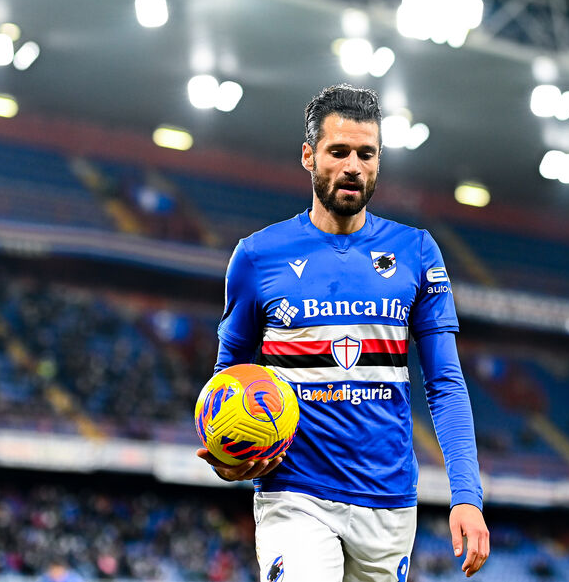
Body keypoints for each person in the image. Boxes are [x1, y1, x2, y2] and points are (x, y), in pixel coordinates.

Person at [197, 84, 490, 580]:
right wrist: (228, 453)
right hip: (295, 491)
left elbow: (445, 384)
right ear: (309, 156)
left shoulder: (417, 251)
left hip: (389, 500)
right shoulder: (256, 256)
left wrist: (467, 494)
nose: (353, 165)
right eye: (338, 152)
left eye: (366, 154)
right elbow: (231, 374)